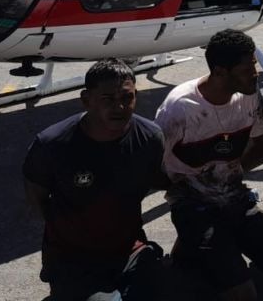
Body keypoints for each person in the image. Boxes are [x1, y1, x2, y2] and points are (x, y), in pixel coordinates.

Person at [155, 29, 263, 301]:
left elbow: (261, 143)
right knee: (244, 296)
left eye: (253, 64)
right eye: (246, 68)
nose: (255, 73)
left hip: (234, 197)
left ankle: (220, 243)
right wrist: (190, 195)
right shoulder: (179, 110)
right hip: (193, 203)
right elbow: (152, 166)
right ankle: (197, 246)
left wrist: (230, 177)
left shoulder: (248, 94)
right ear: (219, 72)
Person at [22, 59, 165, 301]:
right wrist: (66, 229)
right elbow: (35, 194)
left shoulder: (150, 138)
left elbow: (158, 178)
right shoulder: (52, 144)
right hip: (72, 257)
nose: (119, 107)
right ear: (86, 100)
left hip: (127, 249)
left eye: (126, 98)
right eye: (107, 99)